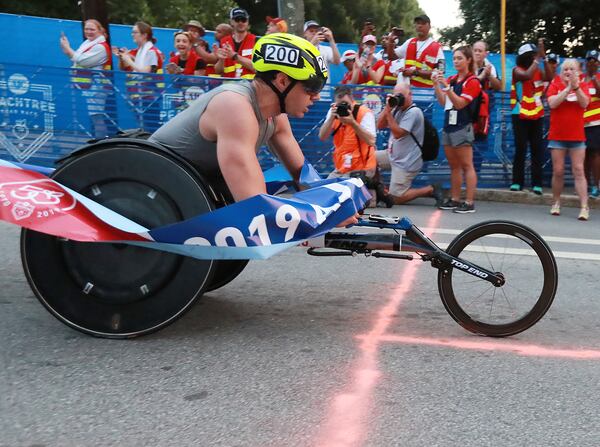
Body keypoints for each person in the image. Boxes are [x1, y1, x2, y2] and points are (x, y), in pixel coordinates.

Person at [149, 33, 357, 226]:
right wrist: (320, 215)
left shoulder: (277, 116)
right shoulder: (234, 107)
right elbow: (255, 207)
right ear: (282, 80)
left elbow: (303, 177)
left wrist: (336, 203)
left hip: (181, 194)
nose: (317, 97)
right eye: (311, 88)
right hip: (148, 191)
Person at [317, 84, 392, 206]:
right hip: (342, 167)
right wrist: (331, 117)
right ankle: (370, 190)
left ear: (352, 100)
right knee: (324, 195)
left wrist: (353, 123)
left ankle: (374, 189)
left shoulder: (364, 113)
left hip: (362, 167)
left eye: (345, 104)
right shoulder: (333, 113)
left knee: (351, 202)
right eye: (340, 104)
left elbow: (371, 141)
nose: (343, 108)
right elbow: (322, 136)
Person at [376, 83, 443, 205]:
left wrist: (389, 114)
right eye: (397, 96)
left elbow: (398, 133)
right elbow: (379, 125)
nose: (399, 99)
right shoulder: (396, 109)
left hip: (406, 162)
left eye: (402, 96)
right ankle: (378, 190)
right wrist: (388, 108)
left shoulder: (414, 112)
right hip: (392, 155)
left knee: (396, 198)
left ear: (410, 95)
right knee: (370, 158)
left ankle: (430, 189)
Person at [434, 45, 482, 213]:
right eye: (454, 58)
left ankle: (469, 202)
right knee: (454, 166)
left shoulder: (473, 81)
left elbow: (460, 103)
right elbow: (443, 102)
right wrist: (437, 85)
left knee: (467, 165)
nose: (456, 61)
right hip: (449, 125)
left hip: (463, 126)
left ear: (469, 60)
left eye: (460, 58)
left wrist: (447, 88)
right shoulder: (453, 79)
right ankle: (455, 199)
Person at [546, 58, 591, 220]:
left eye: (572, 69)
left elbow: (584, 103)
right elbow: (552, 103)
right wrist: (566, 89)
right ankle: (556, 202)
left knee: (578, 170)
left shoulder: (583, 85)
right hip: (557, 135)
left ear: (578, 72)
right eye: (565, 69)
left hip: (577, 136)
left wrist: (576, 87)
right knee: (558, 171)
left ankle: (584, 207)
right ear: (561, 72)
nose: (568, 72)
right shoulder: (554, 84)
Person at [509, 41, 553, 194]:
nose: (536, 57)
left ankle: (537, 184)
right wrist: (537, 59)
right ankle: (517, 182)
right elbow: (526, 76)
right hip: (519, 113)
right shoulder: (517, 70)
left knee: (537, 149)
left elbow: (550, 76)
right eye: (533, 55)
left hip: (537, 113)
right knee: (520, 148)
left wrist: (545, 58)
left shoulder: (539, 70)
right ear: (527, 57)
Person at [59, 19, 114, 138]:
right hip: (91, 86)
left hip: (97, 87)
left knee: (97, 116)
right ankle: (99, 143)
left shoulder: (100, 47)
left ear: (100, 31)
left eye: (92, 29)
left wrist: (68, 49)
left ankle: (101, 143)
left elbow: (83, 61)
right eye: (86, 29)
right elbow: (77, 58)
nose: (88, 31)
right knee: (95, 117)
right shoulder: (88, 43)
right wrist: (68, 51)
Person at [113, 21, 164, 133]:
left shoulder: (151, 51)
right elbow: (135, 66)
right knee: (146, 128)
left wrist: (128, 60)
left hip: (150, 98)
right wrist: (125, 57)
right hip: (141, 97)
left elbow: (146, 72)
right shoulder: (142, 51)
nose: (132, 34)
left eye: (135, 32)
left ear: (144, 35)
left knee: (151, 129)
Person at [386, 15, 444, 89]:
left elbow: (441, 72)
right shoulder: (409, 42)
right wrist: (390, 43)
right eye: (417, 23)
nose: (419, 26)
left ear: (429, 27)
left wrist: (415, 72)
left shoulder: (437, 48)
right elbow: (391, 57)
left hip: (425, 93)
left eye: (423, 23)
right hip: (406, 90)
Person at [215, 8, 256, 79]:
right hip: (228, 86)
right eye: (237, 19)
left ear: (247, 22)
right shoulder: (224, 41)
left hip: (249, 86)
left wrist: (235, 56)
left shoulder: (256, 41)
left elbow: (258, 68)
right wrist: (221, 60)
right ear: (231, 22)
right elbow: (218, 71)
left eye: (243, 20)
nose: (240, 22)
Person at [582, 49, 600, 199]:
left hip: (596, 122)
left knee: (594, 153)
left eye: (594, 61)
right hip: (580, 123)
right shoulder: (580, 78)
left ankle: (596, 186)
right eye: (589, 60)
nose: (591, 63)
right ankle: (584, 185)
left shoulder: (598, 77)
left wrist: (594, 78)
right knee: (583, 155)